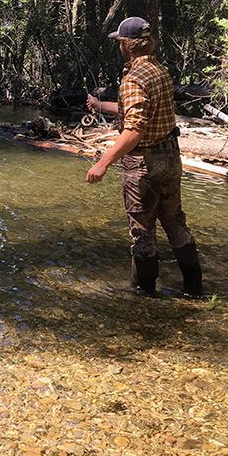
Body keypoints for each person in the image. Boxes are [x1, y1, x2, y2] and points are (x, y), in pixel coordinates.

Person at [85, 16, 203, 299]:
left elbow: (134, 130)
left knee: (143, 233)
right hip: (171, 158)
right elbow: (141, 110)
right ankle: (195, 289)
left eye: (119, 42)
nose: (119, 46)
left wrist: (102, 162)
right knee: (175, 222)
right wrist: (101, 105)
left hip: (144, 165)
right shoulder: (158, 70)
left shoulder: (133, 78)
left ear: (126, 44)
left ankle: (144, 297)